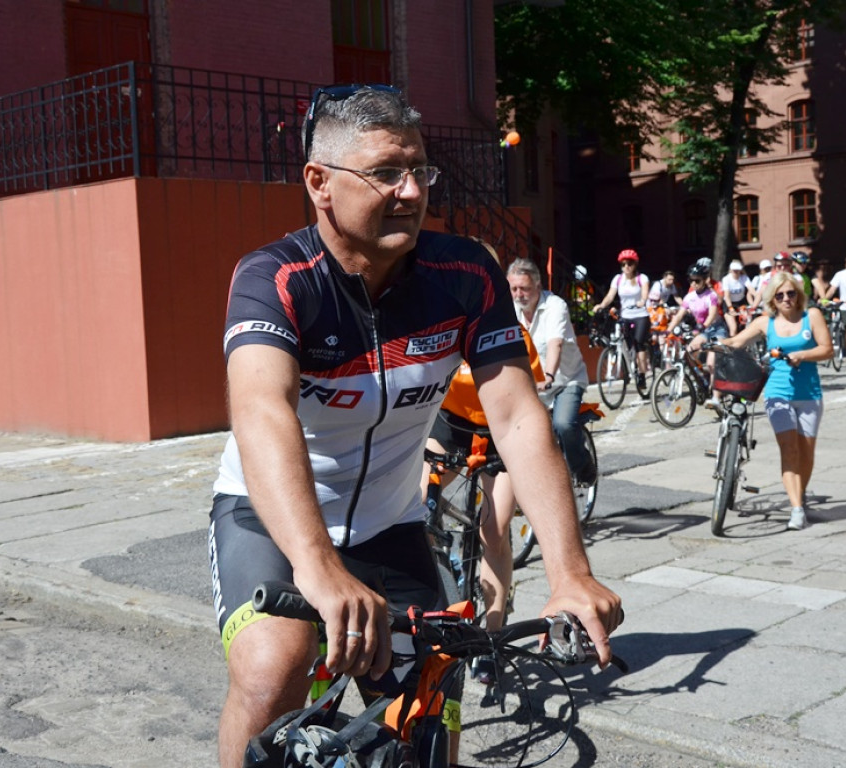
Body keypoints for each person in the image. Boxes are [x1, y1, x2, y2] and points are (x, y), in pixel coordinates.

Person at [207, 86, 622, 768]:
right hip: (267, 520)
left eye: (419, 171)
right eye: (385, 173)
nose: (410, 191)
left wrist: (569, 571)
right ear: (319, 183)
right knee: (272, 667)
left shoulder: (464, 276)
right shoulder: (275, 278)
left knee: (432, 705)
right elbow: (261, 411)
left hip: (389, 526)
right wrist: (317, 569)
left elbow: (517, 417)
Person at [420, 241, 545, 686]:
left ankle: (492, 638)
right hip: (452, 424)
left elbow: (526, 397)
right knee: (420, 506)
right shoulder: (438, 313)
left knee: (495, 528)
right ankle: (435, 600)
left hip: (498, 429)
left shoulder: (510, 328)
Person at [722, 272, 833, 530]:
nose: (785, 298)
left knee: (806, 453)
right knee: (789, 449)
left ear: (798, 295)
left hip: (809, 394)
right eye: (779, 295)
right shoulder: (765, 322)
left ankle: (799, 495)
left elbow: (827, 349)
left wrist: (802, 355)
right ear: (772, 298)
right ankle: (796, 510)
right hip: (777, 393)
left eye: (790, 293)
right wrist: (710, 342)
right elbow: (737, 341)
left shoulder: (811, 316)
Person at [506, 258, 596, 484]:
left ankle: (583, 467)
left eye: (524, 289)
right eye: (514, 288)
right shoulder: (510, 309)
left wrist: (548, 376)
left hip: (565, 380)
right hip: (530, 385)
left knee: (564, 425)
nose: (518, 295)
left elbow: (554, 343)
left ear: (537, 286)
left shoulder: (555, 306)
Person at [669, 261, 730, 409]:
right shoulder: (689, 297)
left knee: (711, 362)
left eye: (697, 280)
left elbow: (712, 314)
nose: (694, 283)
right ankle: (703, 379)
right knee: (689, 352)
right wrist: (668, 330)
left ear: (705, 280)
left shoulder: (711, 295)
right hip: (703, 331)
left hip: (717, 329)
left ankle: (715, 398)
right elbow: (678, 316)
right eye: (691, 280)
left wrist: (701, 327)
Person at [593, 248, 652, 390]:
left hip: (640, 315)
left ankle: (642, 375)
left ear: (635, 264)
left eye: (629, 263)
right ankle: (626, 367)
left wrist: (643, 301)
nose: (626, 267)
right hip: (625, 315)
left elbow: (645, 293)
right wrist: (601, 305)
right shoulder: (618, 279)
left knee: (638, 344)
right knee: (624, 342)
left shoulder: (642, 278)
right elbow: (610, 296)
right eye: (623, 264)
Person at [721, 260, 751, 336]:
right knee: (733, 328)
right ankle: (733, 346)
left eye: (738, 271)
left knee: (747, 322)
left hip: (741, 302)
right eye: (734, 271)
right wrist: (731, 309)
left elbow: (752, 290)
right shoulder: (726, 279)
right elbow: (727, 296)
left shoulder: (744, 278)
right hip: (729, 304)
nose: (736, 273)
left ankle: (746, 345)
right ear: (731, 270)